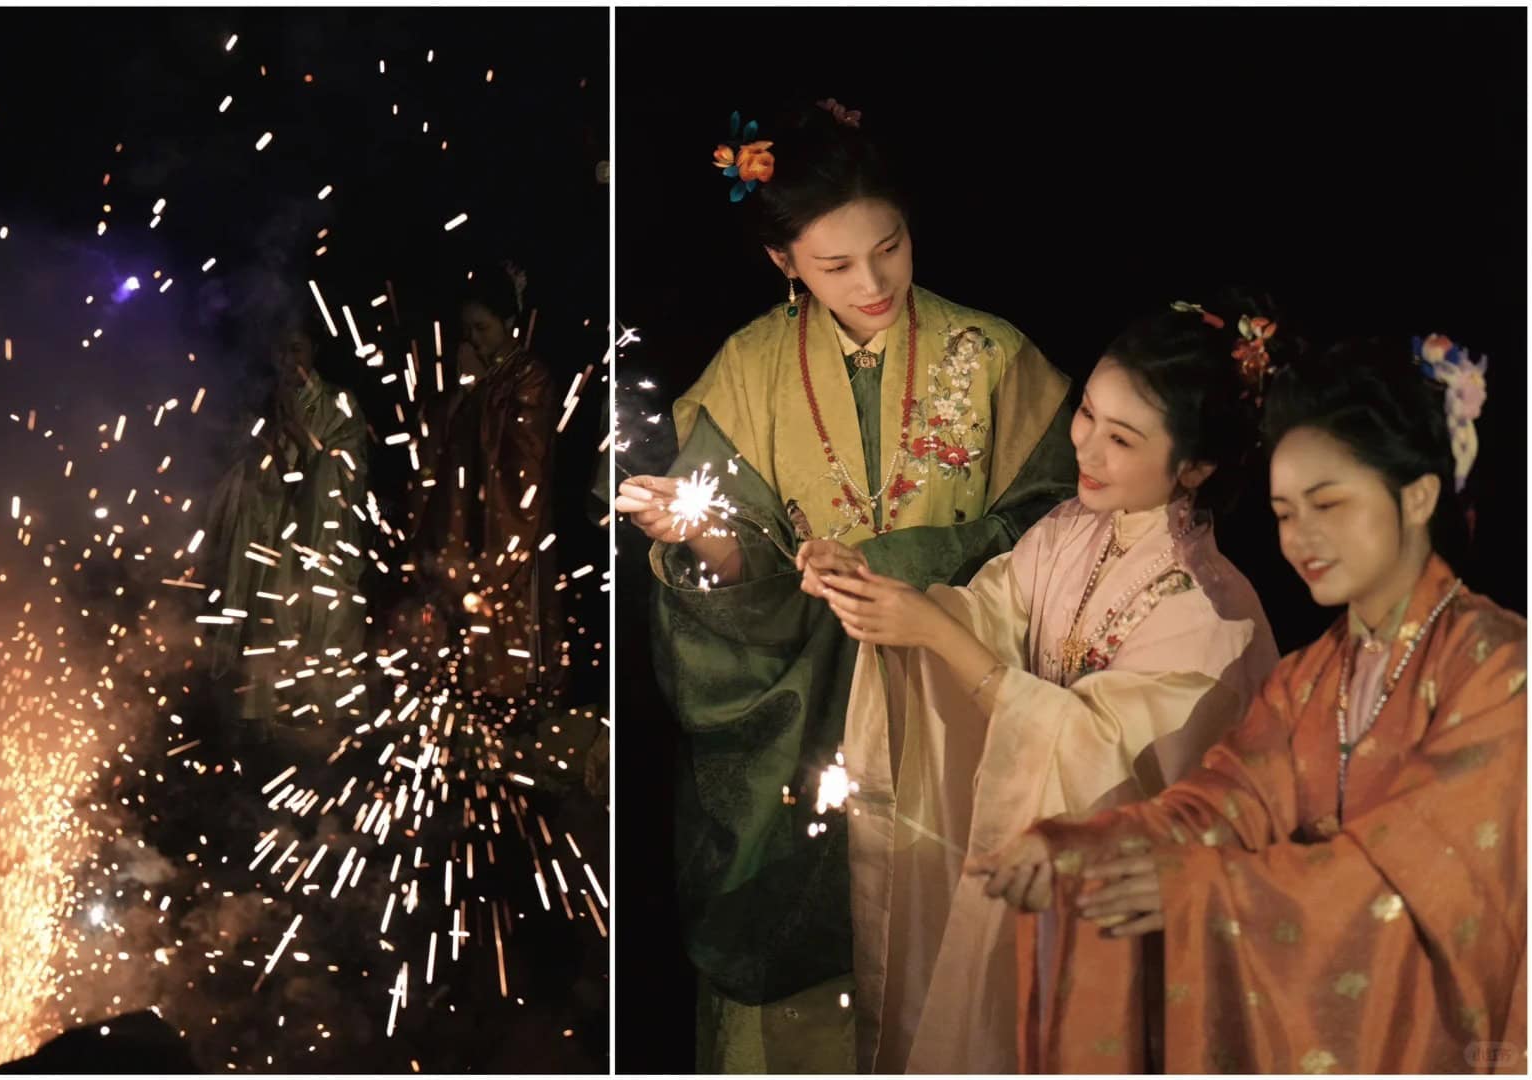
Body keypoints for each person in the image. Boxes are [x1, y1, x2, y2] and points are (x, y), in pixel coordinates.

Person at [615, 99, 1077, 1072]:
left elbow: (1061, 532)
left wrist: (906, 564)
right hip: (804, 741)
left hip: (961, 725)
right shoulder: (743, 373)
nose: (871, 283)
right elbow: (732, 583)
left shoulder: (994, 358)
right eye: (834, 265)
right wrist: (706, 541)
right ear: (784, 263)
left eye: (889, 248)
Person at [976, 335, 1525, 1074]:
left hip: (1428, 1016)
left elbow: (1408, 871)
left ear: (1417, 496)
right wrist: (1078, 849)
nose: (1302, 538)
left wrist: (1205, 890)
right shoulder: (1310, 678)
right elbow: (1216, 807)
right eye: (1284, 511)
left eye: (1328, 504)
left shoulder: (1499, 668)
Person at [830, 299, 1282, 1072]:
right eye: (1086, 414)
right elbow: (987, 615)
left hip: (1121, 914)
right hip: (1022, 871)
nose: (1088, 447)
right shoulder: (1067, 529)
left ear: (1195, 466)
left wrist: (931, 631)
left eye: (1122, 438)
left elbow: (1100, 755)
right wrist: (875, 599)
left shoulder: (1213, 615)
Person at [203, 307, 370, 758]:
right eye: (280, 351)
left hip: (317, 547)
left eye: (296, 348)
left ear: (314, 350)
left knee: (318, 631)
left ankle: (328, 744)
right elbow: (245, 483)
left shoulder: (339, 403)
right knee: (266, 628)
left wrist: (301, 437)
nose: (288, 360)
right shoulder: (264, 408)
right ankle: (264, 742)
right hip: (269, 542)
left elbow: (345, 473)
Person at [413, 266, 563, 706]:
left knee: (505, 626)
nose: (475, 339)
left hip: (509, 525)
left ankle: (511, 716)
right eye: (468, 330)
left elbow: (524, 464)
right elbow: (440, 445)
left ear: (508, 322)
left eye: (483, 328)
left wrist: (502, 548)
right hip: (464, 525)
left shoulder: (529, 376)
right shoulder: (476, 378)